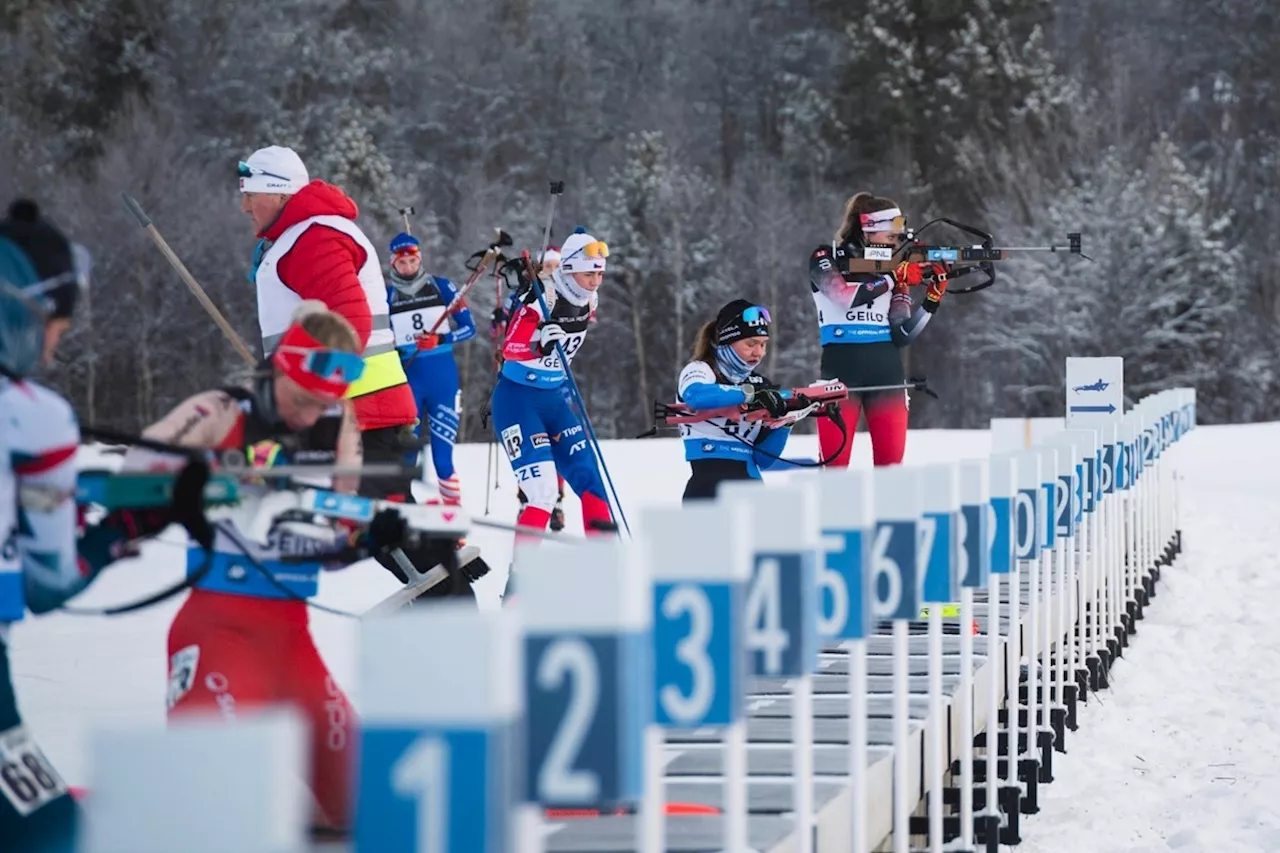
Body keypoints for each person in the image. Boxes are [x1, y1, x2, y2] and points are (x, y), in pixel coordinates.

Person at [121, 301, 434, 838]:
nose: (312, 416)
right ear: (281, 370)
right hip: (217, 634)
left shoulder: (337, 425)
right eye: (302, 401)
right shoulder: (221, 411)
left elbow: (336, 537)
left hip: (292, 645)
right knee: (217, 808)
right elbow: (128, 482)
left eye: (325, 404)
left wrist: (365, 539)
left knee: (373, 810)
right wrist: (195, 483)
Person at [0, 199, 207, 852]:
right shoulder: (34, 417)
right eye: (58, 321)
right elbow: (46, 581)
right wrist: (127, 522)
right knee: (54, 834)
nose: (60, 339)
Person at [238, 145, 420, 504]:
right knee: (362, 525)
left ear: (279, 194)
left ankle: (442, 557)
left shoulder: (313, 238)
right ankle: (442, 556)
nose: (245, 207)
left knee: (378, 526)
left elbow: (349, 324)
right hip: (352, 409)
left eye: (251, 196)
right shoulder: (299, 236)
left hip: (360, 409)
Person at [808, 192, 949, 467]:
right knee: (833, 473)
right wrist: (892, 277)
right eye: (891, 236)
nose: (895, 243)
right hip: (839, 376)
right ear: (868, 229)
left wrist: (932, 300)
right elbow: (844, 296)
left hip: (888, 376)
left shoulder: (895, 271)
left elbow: (902, 334)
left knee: (891, 474)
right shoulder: (826, 256)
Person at [489, 230, 614, 540]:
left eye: (599, 275)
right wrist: (539, 344)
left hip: (554, 399)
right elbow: (510, 349)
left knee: (592, 481)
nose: (595, 283)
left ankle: (608, 570)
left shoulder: (589, 299)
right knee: (543, 493)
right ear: (569, 271)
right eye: (589, 275)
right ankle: (520, 583)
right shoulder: (541, 299)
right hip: (518, 400)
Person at [677, 300, 813, 500]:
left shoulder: (760, 383)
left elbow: (763, 459)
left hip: (752, 488)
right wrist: (750, 394)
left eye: (763, 344)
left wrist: (786, 420)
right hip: (708, 487)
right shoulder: (701, 369)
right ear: (727, 340)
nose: (758, 353)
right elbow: (696, 396)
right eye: (750, 344)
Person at [385, 232, 476, 505]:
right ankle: (403, 511)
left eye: (413, 261)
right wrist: (398, 348)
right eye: (403, 263)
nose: (409, 268)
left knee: (442, 458)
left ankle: (452, 517)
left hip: (442, 381)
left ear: (420, 258)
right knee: (406, 453)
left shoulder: (443, 287)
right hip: (408, 381)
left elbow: (470, 329)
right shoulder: (387, 295)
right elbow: (379, 338)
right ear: (393, 263)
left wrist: (441, 339)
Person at [492, 246, 568, 532]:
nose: (552, 271)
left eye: (557, 266)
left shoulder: (567, 294)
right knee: (530, 442)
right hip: (521, 379)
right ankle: (528, 499)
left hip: (555, 380)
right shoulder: (527, 293)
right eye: (547, 266)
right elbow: (508, 330)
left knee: (556, 439)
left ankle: (556, 502)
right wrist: (499, 320)